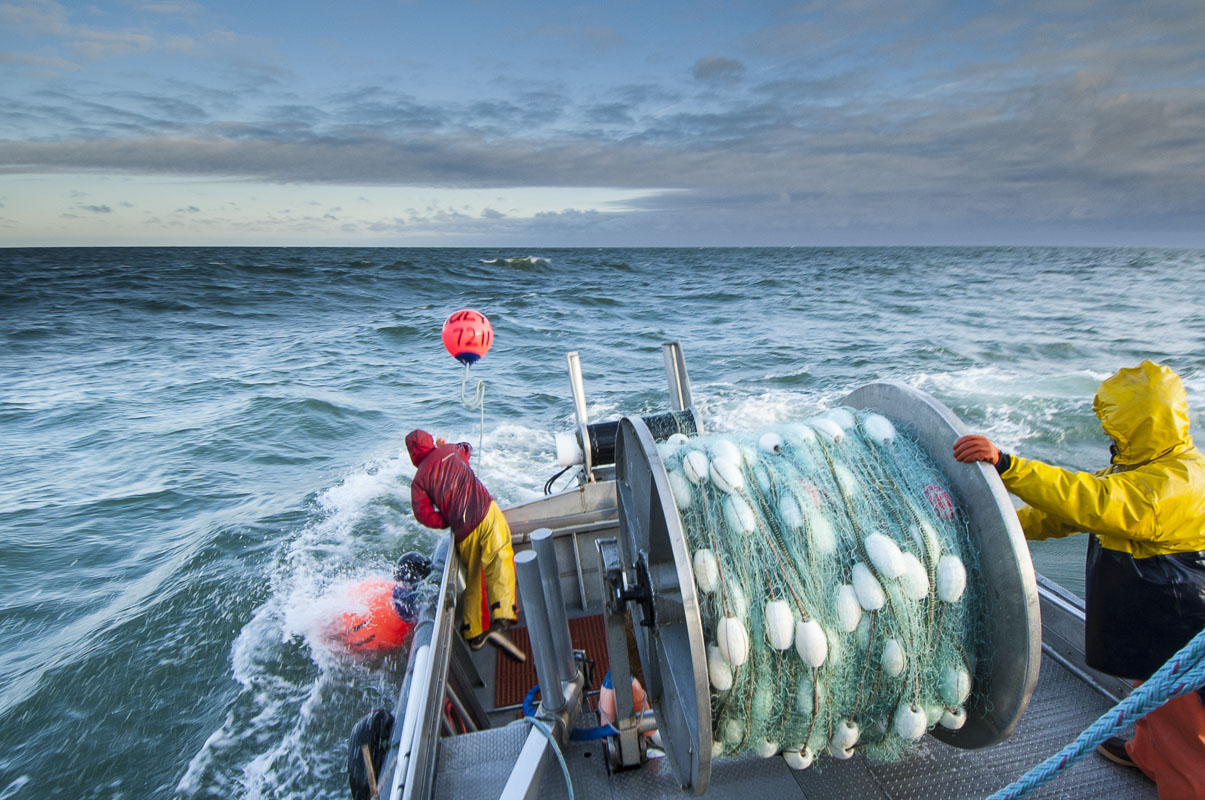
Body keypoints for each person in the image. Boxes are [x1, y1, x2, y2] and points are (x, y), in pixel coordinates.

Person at [953, 359, 1205, 799]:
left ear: (1142, 426)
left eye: (1117, 430)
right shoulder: (1144, 468)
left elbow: (1092, 501)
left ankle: (1183, 782)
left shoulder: (1173, 484)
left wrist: (1009, 466)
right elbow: (1064, 514)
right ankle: (1147, 752)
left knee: (1181, 725)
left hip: (1175, 624)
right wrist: (995, 521)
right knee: (1149, 693)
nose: (1110, 437)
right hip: (1149, 621)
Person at [405, 429, 517, 647]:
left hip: (464, 530)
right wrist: (443, 446)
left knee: (475, 575)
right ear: (431, 442)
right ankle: (503, 613)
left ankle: (475, 632)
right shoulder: (449, 450)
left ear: (412, 454)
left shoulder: (418, 481)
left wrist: (447, 520)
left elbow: (422, 514)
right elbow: (466, 448)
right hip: (485, 511)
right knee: (499, 556)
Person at [335, 551, 434, 653]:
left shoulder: (380, 586)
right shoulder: (399, 599)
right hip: (366, 637)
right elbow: (423, 599)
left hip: (350, 633)